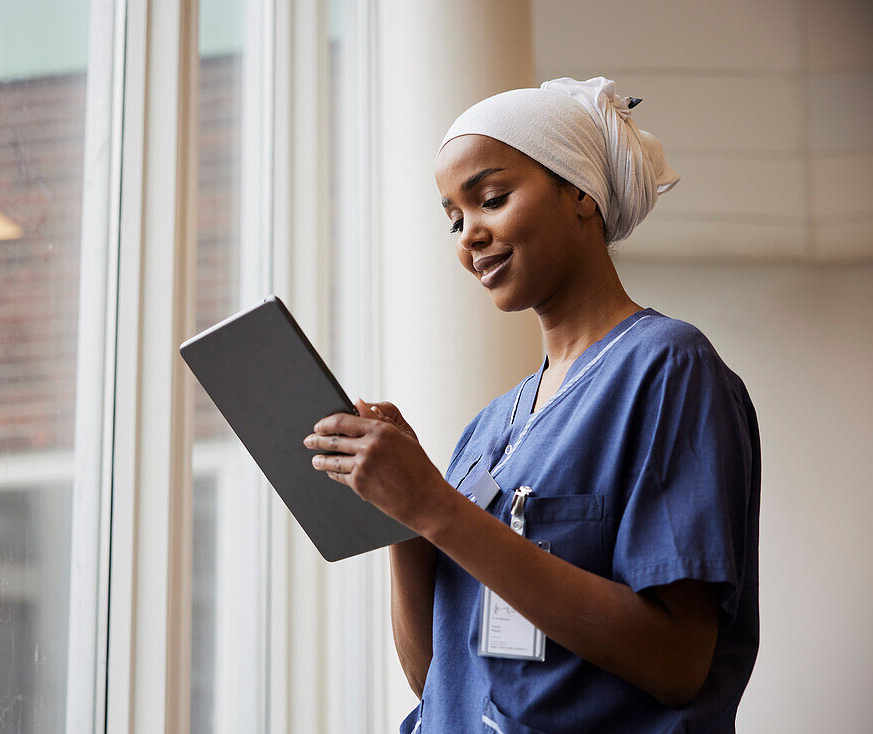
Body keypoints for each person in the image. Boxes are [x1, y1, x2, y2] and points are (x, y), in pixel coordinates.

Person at [302, 77, 760, 733]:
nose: (470, 235)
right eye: (455, 219)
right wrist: (404, 523)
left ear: (579, 193)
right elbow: (438, 680)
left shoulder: (666, 370)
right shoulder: (486, 431)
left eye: (491, 199)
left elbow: (676, 662)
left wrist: (436, 506)